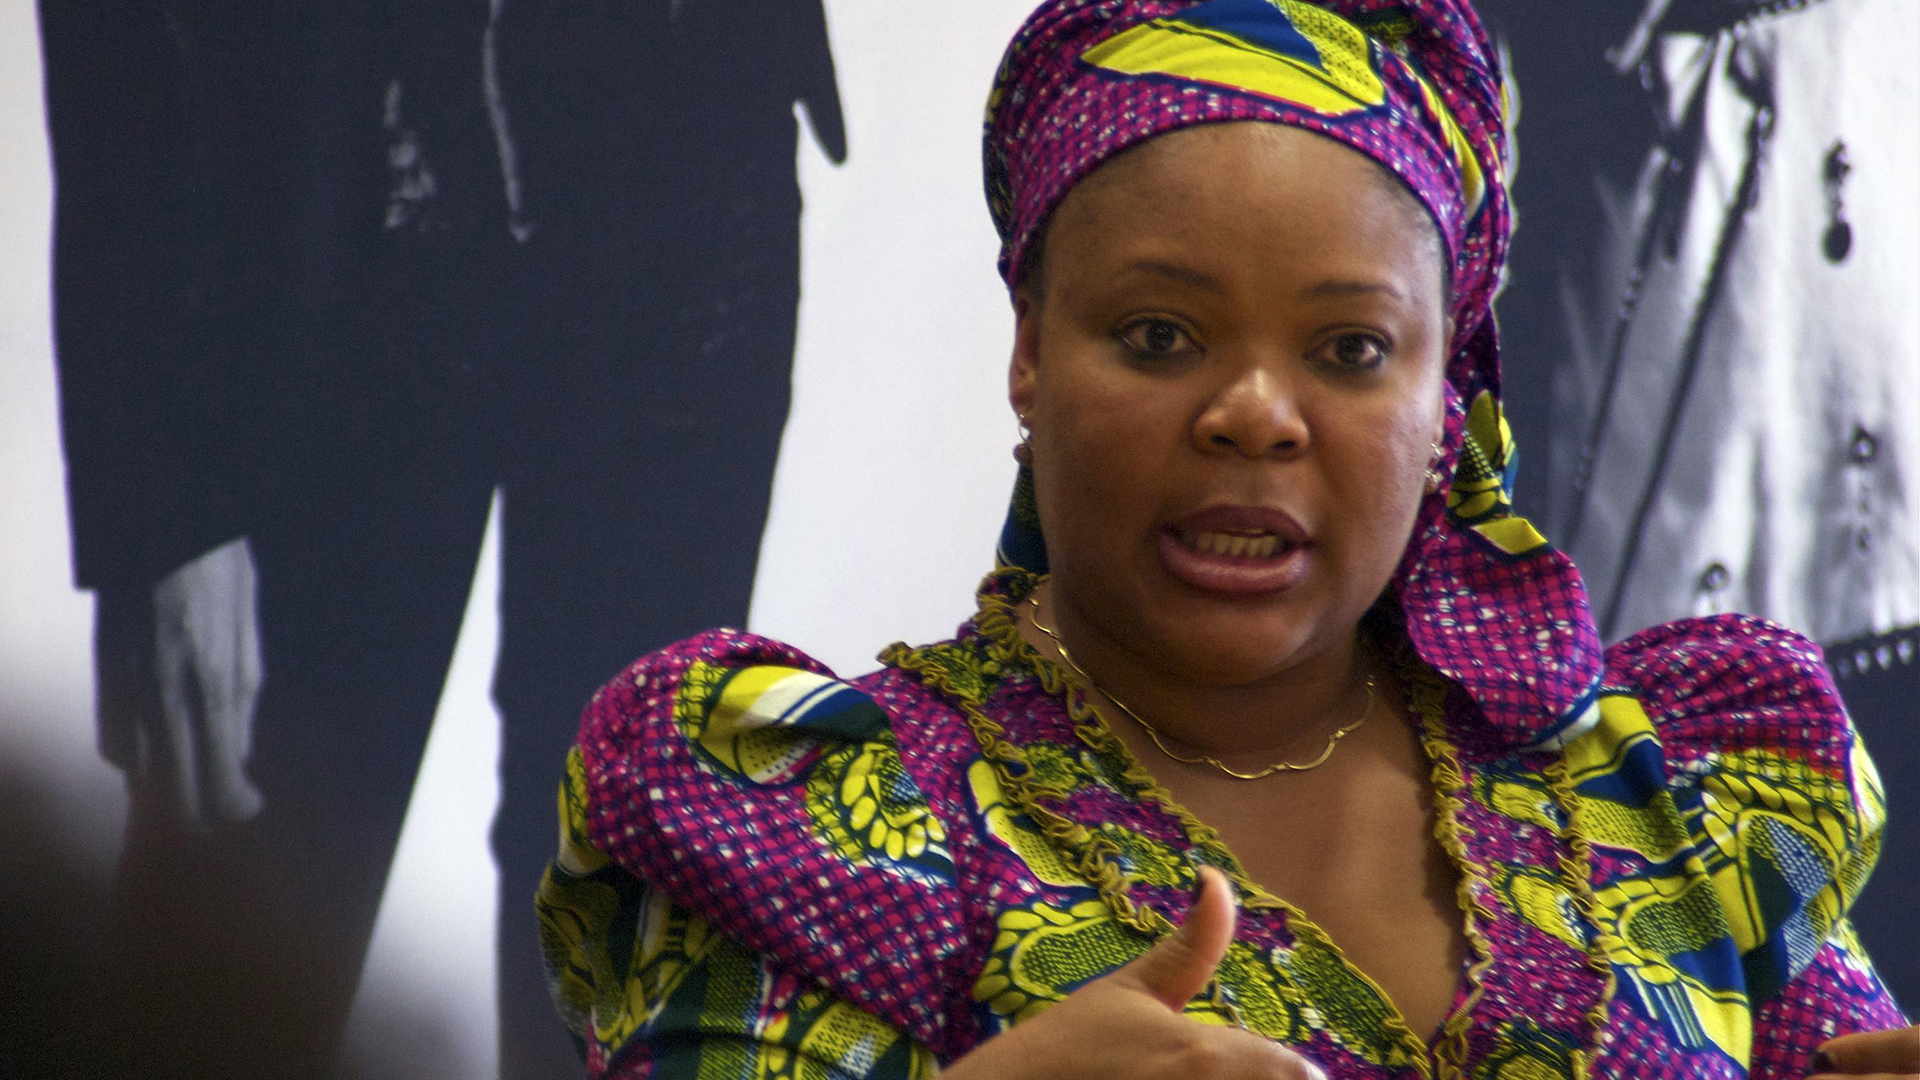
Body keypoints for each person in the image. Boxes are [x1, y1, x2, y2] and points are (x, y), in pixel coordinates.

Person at [534, 0, 1917, 1076]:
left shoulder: (1665, 796)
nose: (1255, 414)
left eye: (1350, 348)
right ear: (1029, 354)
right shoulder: (825, 827)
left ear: (1445, 395)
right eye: (1159, 334)